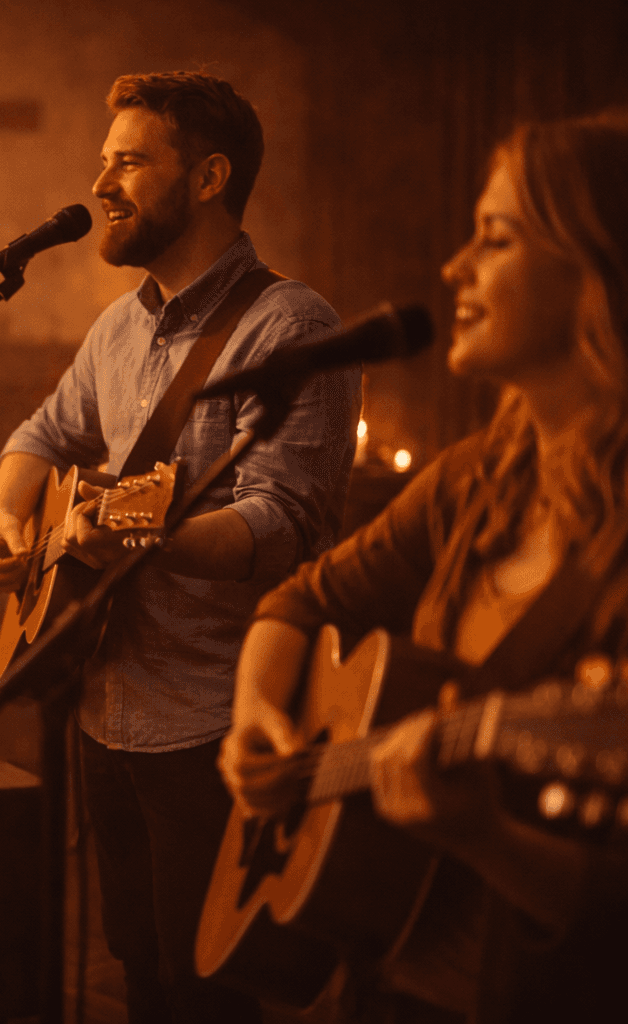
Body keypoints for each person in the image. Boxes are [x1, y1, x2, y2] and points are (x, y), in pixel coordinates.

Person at [221, 109, 628, 1022]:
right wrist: (256, 717)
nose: (454, 268)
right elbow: (301, 600)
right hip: (387, 976)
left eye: (496, 238)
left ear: (598, 270)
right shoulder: (477, 478)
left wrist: (484, 837)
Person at [0, 72, 360, 1023]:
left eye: (130, 162)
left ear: (208, 177)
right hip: (107, 704)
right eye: (104, 162)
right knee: (141, 966)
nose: (101, 184)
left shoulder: (293, 327)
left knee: (207, 992)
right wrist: (4, 519)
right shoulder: (119, 326)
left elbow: (284, 521)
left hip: (214, 722)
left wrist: (154, 538)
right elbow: (42, 434)